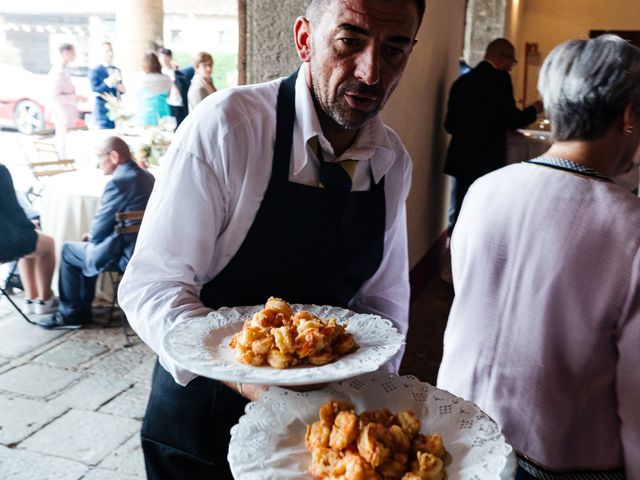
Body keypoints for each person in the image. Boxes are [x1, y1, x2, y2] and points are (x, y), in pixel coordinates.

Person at [118, 0, 425, 477]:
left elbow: (383, 302)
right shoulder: (227, 128)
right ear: (305, 39)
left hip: (317, 441)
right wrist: (254, 379)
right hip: (204, 423)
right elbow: (153, 286)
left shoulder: (393, 161)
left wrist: (371, 405)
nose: (371, 72)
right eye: (350, 42)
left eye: (395, 49)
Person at [437, 35, 640, 478]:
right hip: (562, 462)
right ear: (628, 115)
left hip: (456, 439)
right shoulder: (631, 228)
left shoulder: (484, 189)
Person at [37, 136, 155, 330]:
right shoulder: (147, 176)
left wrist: (91, 235)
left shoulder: (118, 182)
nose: (99, 164)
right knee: (84, 250)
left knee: (69, 251)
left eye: (100, 157)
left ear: (114, 156)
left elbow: (99, 229)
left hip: (124, 253)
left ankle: (71, 314)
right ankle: (81, 310)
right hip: (144, 249)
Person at [443, 38, 542, 233]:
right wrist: (535, 108)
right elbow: (512, 119)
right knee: (483, 210)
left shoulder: (461, 81)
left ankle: (454, 252)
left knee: (461, 206)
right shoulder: (500, 79)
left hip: (462, 156)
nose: (510, 68)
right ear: (501, 56)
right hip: (487, 158)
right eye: (512, 62)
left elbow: (450, 125)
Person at [0, 164, 57, 315]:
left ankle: (30, 298)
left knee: (29, 241)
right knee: (48, 243)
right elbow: (12, 210)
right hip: (5, 242)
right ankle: (44, 299)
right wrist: (28, 225)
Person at [48, 43, 87, 158]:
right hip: (62, 114)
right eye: (73, 53)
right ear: (65, 53)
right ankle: (63, 164)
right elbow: (55, 96)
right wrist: (75, 98)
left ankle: (65, 163)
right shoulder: (58, 71)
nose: (74, 56)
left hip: (67, 114)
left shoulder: (63, 70)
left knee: (66, 143)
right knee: (63, 143)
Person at [89, 41, 126, 129]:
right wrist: (109, 81)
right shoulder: (95, 70)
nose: (110, 53)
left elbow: (118, 91)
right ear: (101, 53)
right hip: (102, 111)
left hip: (117, 111)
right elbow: (95, 89)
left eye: (111, 51)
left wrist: (121, 90)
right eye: (107, 51)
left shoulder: (116, 70)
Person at [129, 52, 172, 127]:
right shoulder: (166, 78)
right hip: (162, 114)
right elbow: (168, 95)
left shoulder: (138, 78)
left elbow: (132, 94)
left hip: (144, 115)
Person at [158, 47, 189, 127]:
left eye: (166, 56)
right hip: (167, 103)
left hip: (179, 101)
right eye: (162, 57)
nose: (164, 59)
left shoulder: (177, 70)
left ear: (170, 57)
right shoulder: (160, 72)